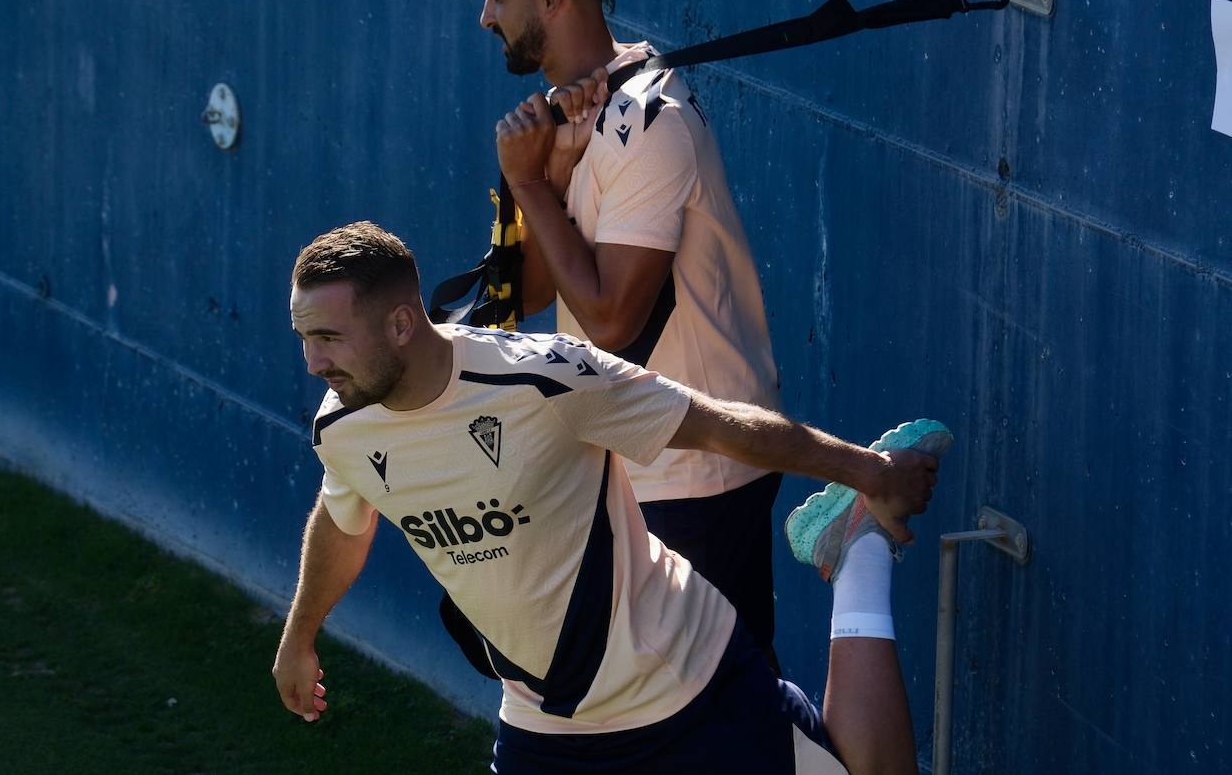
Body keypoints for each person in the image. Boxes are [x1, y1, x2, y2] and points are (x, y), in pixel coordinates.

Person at [271, 222, 949, 774]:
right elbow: (343, 517)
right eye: (304, 339)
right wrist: (299, 635)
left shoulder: (544, 378)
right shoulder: (343, 426)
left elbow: (719, 426)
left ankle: (858, 544)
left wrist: (870, 471)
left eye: (328, 338)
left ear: (400, 324)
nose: (313, 363)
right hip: (545, 722)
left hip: (682, 683)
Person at [470, 0, 789, 666]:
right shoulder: (572, 115)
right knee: (638, 705)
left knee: (721, 709)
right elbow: (536, 295)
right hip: (633, 461)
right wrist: (545, 179)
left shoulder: (649, 123)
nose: (485, 17)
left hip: (701, 471)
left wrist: (532, 183)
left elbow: (611, 321)